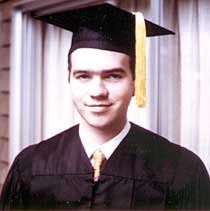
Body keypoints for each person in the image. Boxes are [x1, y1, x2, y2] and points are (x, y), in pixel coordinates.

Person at [0, 3, 210, 210]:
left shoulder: (182, 171)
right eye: (83, 76)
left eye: (113, 76)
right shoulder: (30, 166)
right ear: (69, 80)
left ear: (135, 82)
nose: (98, 91)